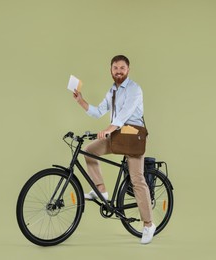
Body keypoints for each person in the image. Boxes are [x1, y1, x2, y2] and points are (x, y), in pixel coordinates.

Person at [72, 55, 155, 244]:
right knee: (90, 150)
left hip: (133, 135)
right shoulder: (112, 90)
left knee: (137, 179)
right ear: (111, 70)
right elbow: (99, 111)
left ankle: (149, 224)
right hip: (118, 135)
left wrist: (109, 129)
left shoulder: (134, 89)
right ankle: (101, 190)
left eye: (122, 68)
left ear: (128, 70)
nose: (119, 71)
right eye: (115, 68)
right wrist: (81, 101)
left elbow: (125, 113)